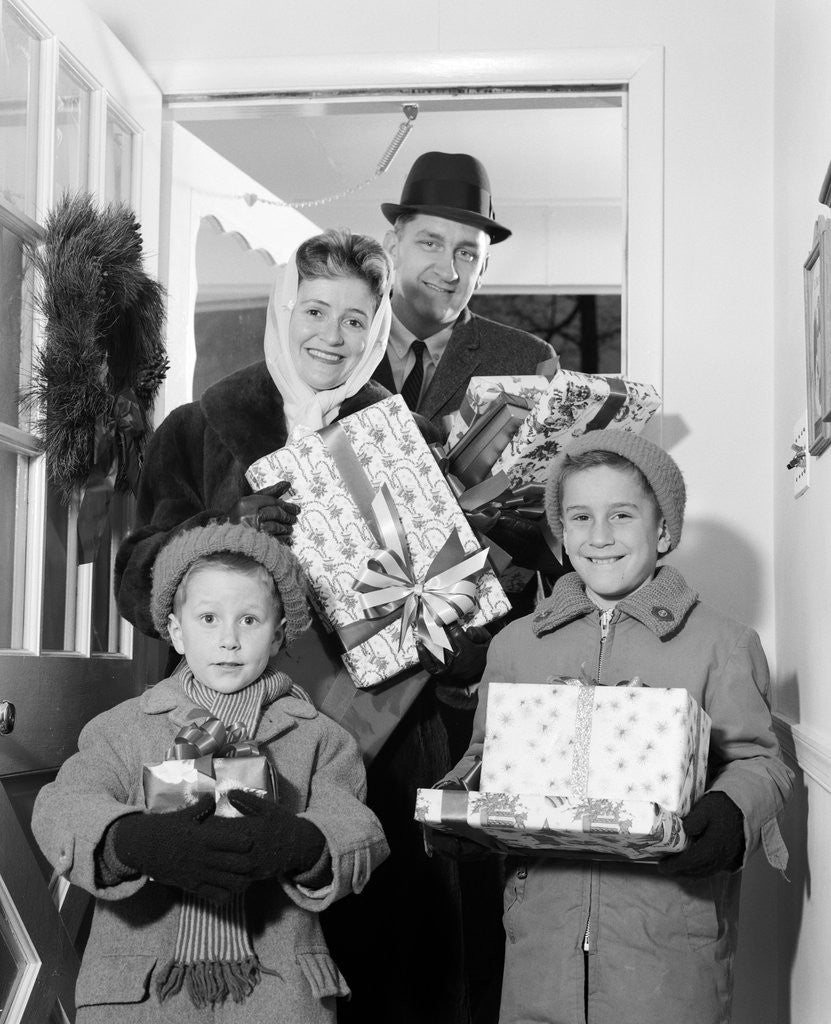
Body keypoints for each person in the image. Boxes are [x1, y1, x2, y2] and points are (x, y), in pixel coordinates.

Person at [114, 228, 486, 1024]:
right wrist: (224, 530)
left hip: (388, 741)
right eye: (315, 310)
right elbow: (135, 580)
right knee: (252, 964)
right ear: (284, 307)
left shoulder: (408, 438)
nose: (332, 336)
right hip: (232, 731)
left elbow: (455, 595)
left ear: (378, 328)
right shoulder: (197, 428)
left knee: (392, 967)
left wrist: (455, 617)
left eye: (355, 319)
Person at [429, 430, 794, 1024]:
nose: (599, 536)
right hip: (541, 944)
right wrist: (455, 805)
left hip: (669, 948)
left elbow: (760, 762)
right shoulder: (517, 645)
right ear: (561, 532)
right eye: (580, 517)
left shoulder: (722, 644)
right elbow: (483, 754)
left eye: (621, 515)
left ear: (664, 530)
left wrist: (732, 812)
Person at [32, 521, 389, 1022]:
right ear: (176, 632)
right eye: (207, 618)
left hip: (277, 994)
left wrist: (300, 844)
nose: (228, 640)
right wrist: (132, 841)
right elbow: (60, 807)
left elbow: (357, 827)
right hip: (141, 994)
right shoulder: (122, 728)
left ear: (278, 634)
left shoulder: (321, 737)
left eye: (249, 620)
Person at [372, 150, 556, 432]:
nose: (448, 272)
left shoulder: (530, 361)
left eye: (466, 254)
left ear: (482, 270)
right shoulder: (334, 339)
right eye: (430, 244)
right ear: (392, 248)